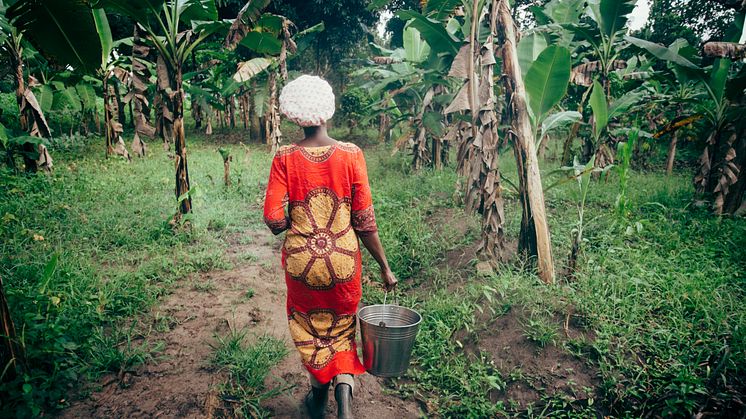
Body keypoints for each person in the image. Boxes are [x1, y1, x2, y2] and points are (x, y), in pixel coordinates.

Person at [263, 75, 397, 419]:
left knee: (310, 328)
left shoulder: (285, 157)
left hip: (301, 266)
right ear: (327, 112)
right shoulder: (352, 154)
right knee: (341, 329)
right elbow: (364, 222)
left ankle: (318, 401)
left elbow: (274, 219)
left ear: (296, 117)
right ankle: (346, 404)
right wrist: (384, 266)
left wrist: (298, 224)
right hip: (343, 264)